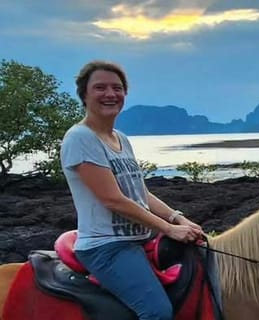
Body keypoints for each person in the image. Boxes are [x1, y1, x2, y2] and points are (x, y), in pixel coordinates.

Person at [61, 60, 204, 320]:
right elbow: (113, 200)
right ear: (84, 94)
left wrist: (179, 218)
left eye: (117, 88)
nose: (110, 94)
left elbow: (140, 193)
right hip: (106, 246)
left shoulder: (121, 138)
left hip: (140, 240)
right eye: (100, 87)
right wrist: (169, 230)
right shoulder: (80, 138)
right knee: (156, 312)